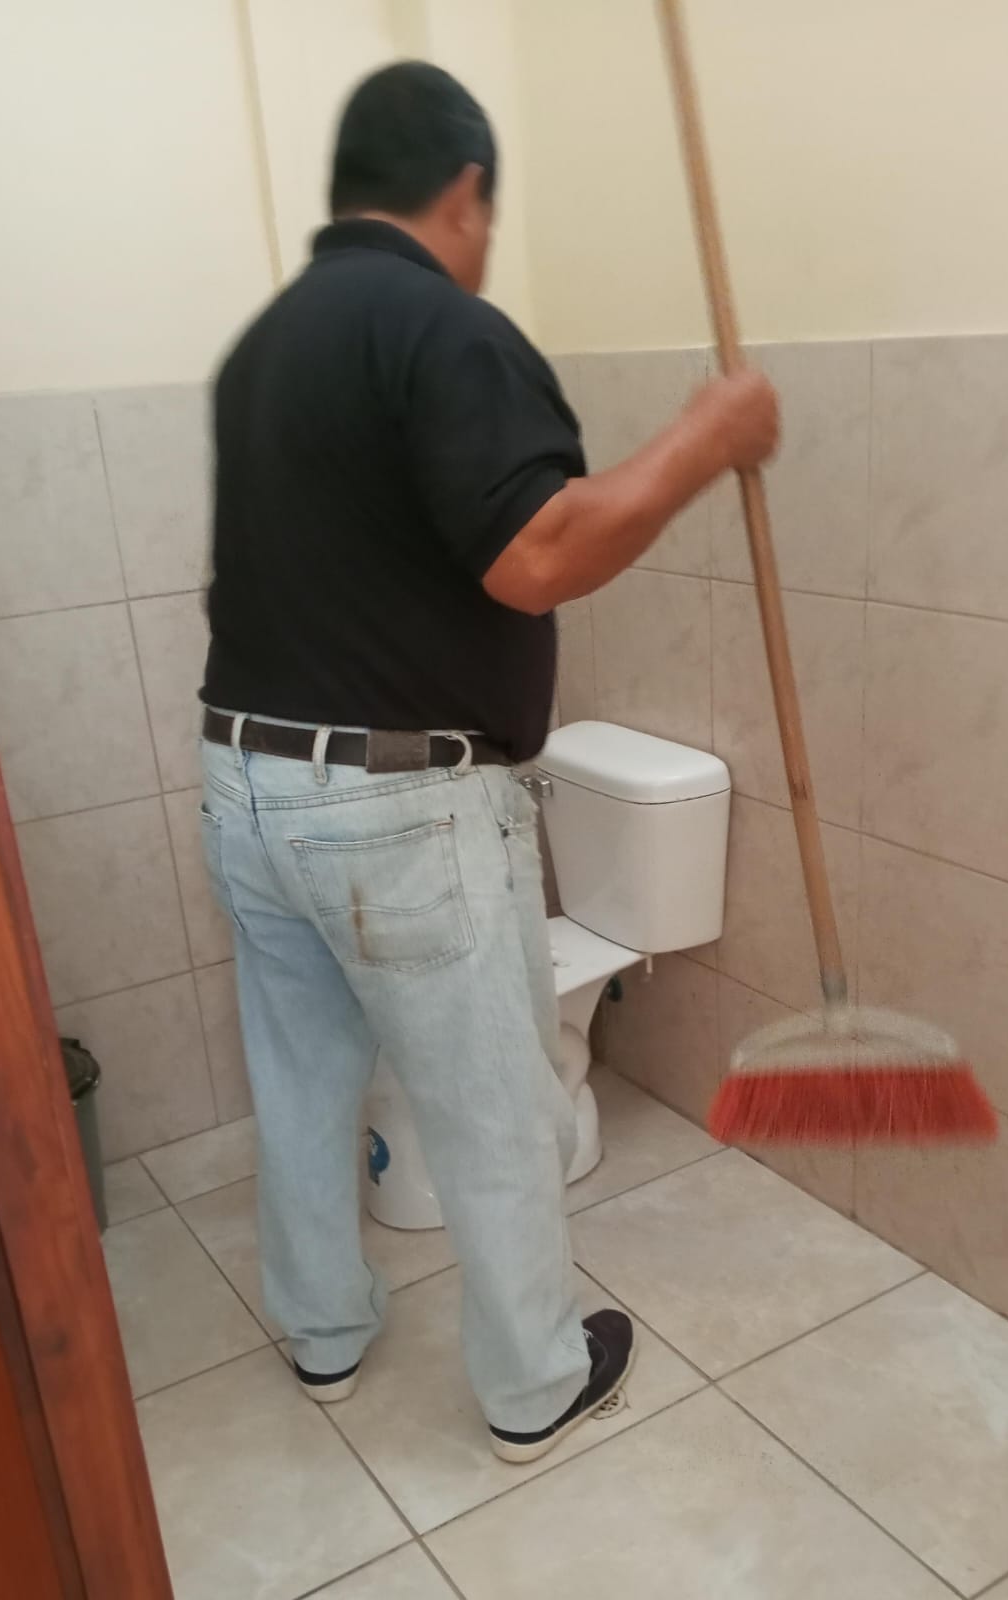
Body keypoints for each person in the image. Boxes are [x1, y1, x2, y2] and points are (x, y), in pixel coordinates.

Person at [198, 60, 779, 1463]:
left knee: (301, 1083)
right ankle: (533, 1385)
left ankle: (324, 1332)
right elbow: (537, 554)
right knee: (497, 1105)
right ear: (464, 191)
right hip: (397, 805)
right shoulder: (443, 328)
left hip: (246, 782)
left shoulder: (262, 347)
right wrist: (703, 439)